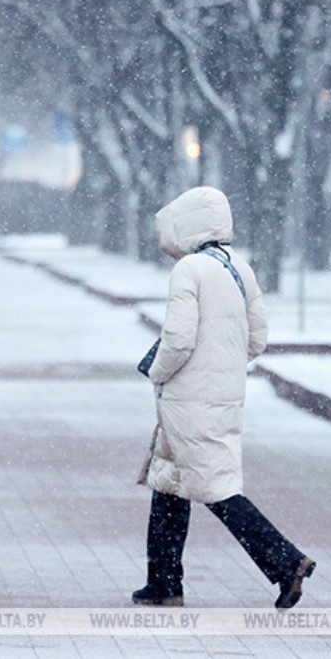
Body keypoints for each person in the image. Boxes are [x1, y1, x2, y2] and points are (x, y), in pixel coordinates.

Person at [133, 186, 315, 610]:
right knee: (171, 483)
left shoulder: (190, 269)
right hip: (223, 395)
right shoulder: (240, 267)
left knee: (216, 489)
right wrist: (222, 367)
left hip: (187, 399)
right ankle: (163, 582)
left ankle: (286, 563)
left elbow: (176, 341)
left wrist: (158, 374)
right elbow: (257, 339)